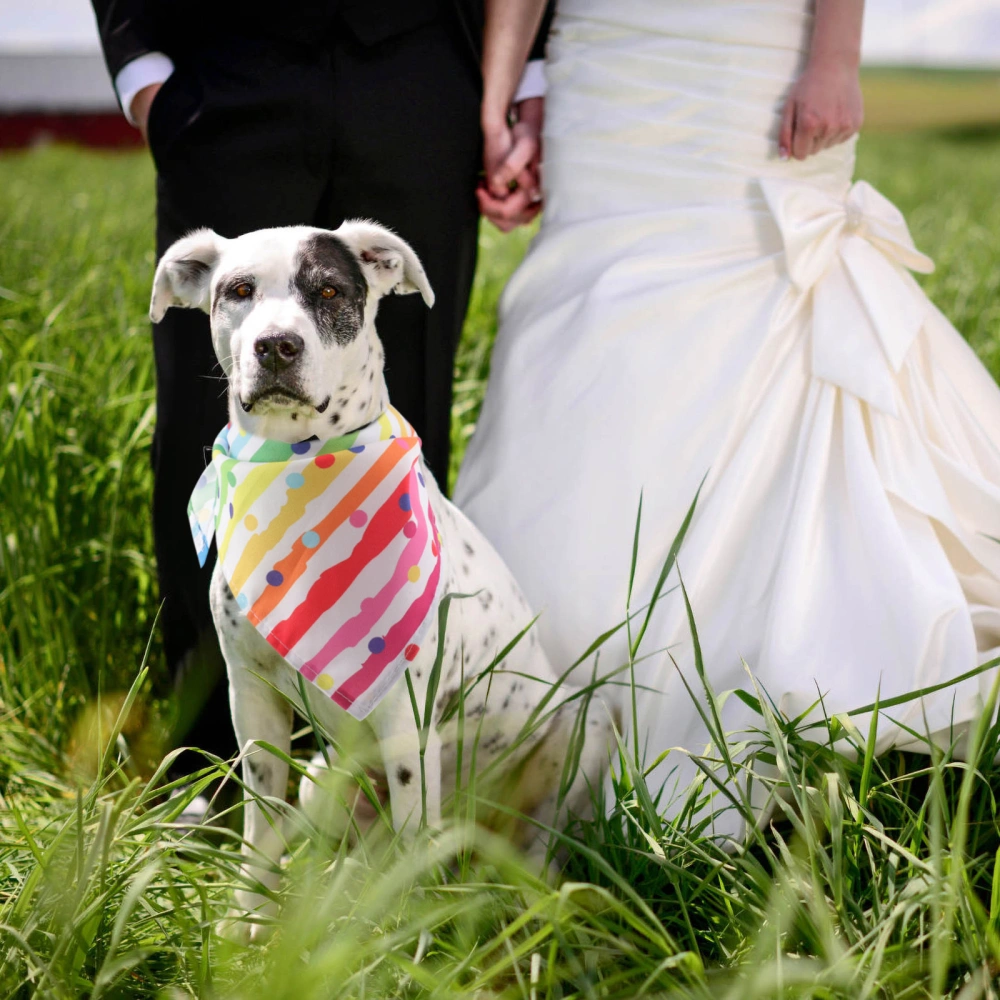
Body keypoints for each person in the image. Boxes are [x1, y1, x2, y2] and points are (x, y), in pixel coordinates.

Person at [456, 0, 1000, 831]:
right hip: (604, 70)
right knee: (590, 337)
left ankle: (768, 667)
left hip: (749, 56)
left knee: (753, 315)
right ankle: (535, 718)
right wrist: (502, 94)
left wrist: (836, 57)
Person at [89, 0, 548, 767]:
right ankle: (211, 768)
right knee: (206, 431)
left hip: (424, 76)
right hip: (226, 77)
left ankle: (379, 773)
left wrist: (520, 78)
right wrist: (144, 72)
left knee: (408, 416)